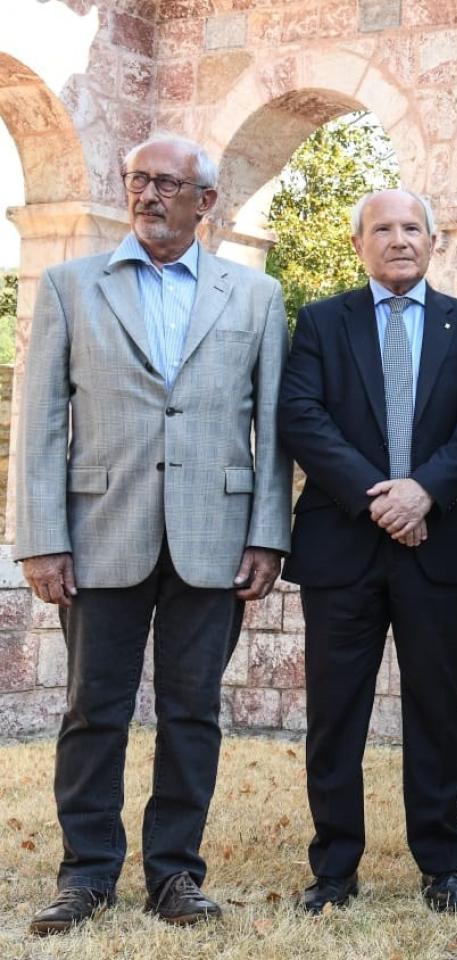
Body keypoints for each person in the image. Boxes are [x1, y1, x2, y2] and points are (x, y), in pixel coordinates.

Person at [14, 135, 292, 934]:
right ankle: (86, 876)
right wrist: (40, 537)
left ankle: (176, 875)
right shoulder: (72, 287)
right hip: (99, 532)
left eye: (168, 184)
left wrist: (268, 533)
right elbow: (39, 424)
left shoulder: (254, 297)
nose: (149, 195)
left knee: (192, 711)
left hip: (217, 535)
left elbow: (271, 427)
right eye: (138, 181)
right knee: (92, 710)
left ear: (206, 202)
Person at [278, 188, 457, 914]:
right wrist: (381, 495)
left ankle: (442, 863)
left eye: (412, 227)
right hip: (343, 542)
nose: (399, 239)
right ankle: (334, 870)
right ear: (359, 243)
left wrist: (423, 494)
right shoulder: (320, 322)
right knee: (334, 712)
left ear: (434, 242)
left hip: (439, 542)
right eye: (383, 228)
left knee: (439, 707)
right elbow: (302, 416)